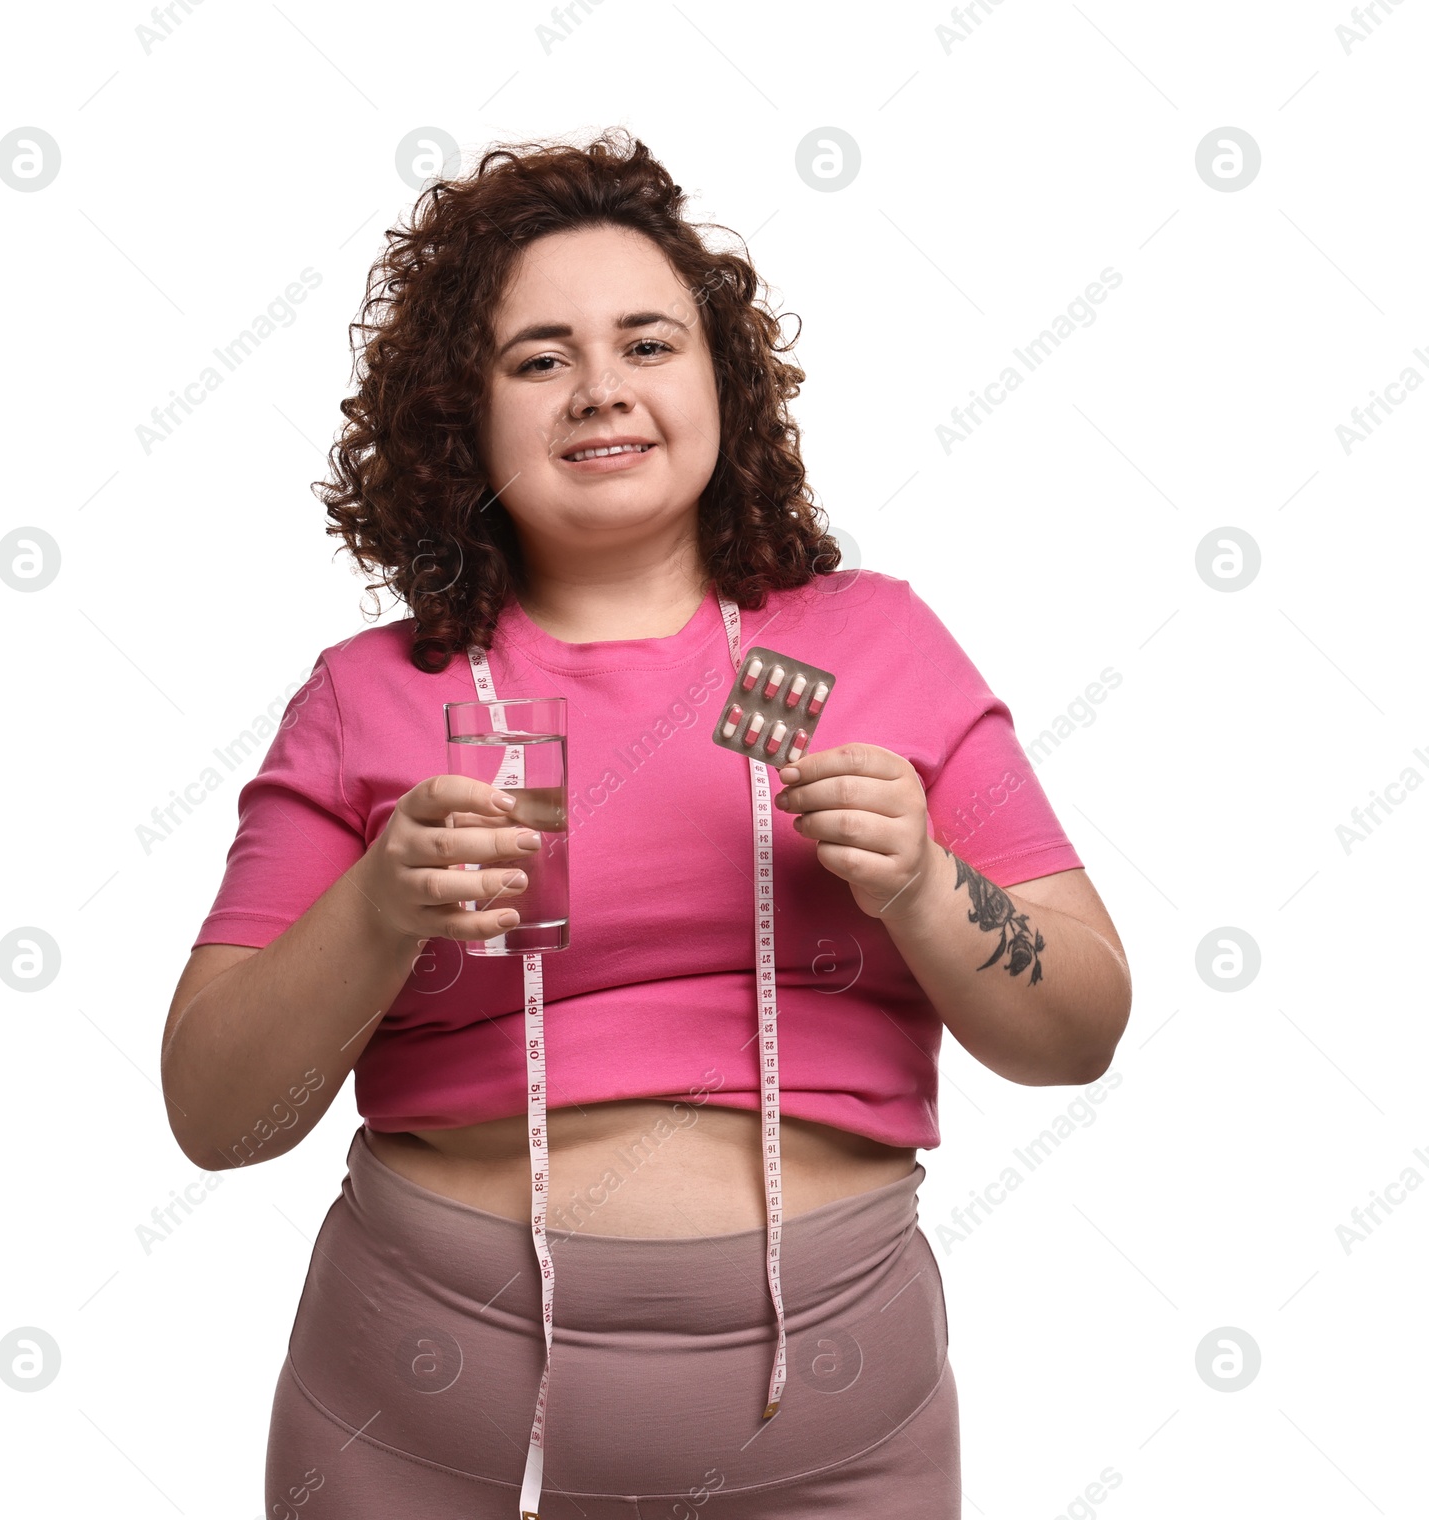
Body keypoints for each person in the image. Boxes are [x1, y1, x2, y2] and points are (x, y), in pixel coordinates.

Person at [160, 129, 1131, 1519]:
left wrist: (925, 884)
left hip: (836, 1448)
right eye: (539, 357)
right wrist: (376, 906)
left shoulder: (880, 644)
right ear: (463, 412)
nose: (601, 389)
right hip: (420, 1441)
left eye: (649, 344)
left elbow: (1083, 1026)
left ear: (720, 381)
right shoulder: (368, 701)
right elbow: (216, 1115)